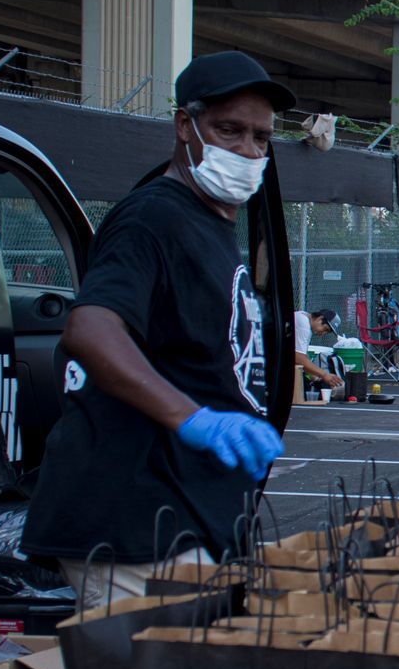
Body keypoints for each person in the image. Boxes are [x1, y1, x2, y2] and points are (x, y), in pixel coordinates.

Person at [24, 52, 292, 606]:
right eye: (228, 130)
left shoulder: (213, 221)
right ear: (183, 125)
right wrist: (193, 419)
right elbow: (92, 329)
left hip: (188, 514)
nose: (246, 150)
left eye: (260, 138)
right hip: (137, 519)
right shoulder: (152, 217)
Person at [293, 308, 345, 396]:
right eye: (325, 329)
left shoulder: (303, 319)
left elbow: (303, 356)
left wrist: (315, 375)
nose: (323, 333)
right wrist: (324, 375)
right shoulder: (304, 324)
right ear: (320, 319)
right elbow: (299, 358)